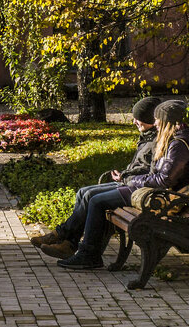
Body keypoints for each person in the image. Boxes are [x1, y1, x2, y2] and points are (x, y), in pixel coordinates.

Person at [55, 98, 189, 271]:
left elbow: (164, 180)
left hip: (159, 196)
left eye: (157, 119)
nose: (154, 122)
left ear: (165, 121)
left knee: (97, 201)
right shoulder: (175, 140)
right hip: (153, 192)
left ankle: (89, 255)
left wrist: (134, 181)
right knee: (94, 197)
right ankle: (84, 250)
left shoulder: (178, 144)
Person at [32, 96, 160, 259]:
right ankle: (68, 243)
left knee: (93, 198)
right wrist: (124, 174)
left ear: (150, 119)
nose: (134, 121)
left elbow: (150, 172)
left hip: (138, 189)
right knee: (83, 192)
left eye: (139, 118)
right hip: (130, 183)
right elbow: (141, 166)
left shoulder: (156, 140)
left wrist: (125, 176)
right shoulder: (148, 137)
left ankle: (74, 245)